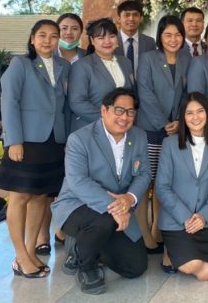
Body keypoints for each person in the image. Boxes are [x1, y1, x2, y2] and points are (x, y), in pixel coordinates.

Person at [0, 19, 70, 279]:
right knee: (20, 197)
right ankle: (20, 256)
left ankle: (30, 250)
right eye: (42, 35)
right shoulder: (20, 64)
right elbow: (9, 102)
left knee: (41, 197)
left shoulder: (64, 66)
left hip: (54, 140)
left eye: (53, 36)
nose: (48, 40)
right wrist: (13, 140)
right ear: (32, 39)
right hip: (26, 140)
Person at [52, 88, 149, 294]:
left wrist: (129, 198)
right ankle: (86, 266)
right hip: (77, 205)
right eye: (119, 110)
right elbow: (77, 181)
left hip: (119, 207)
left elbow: (144, 174)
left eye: (130, 112)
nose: (124, 117)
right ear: (104, 110)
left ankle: (83, 245)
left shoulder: (139, 136)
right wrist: (115, 206)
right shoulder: (79, 139)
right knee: (103, 221)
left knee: (135, 267)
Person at [155, 92, 208, 279]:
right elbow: (162, 187)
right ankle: (168, 254)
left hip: (205, 219)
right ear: (183, 117)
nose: (196, 117)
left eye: (200, 111)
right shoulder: (170, 144)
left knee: (206, 274)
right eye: (189, 113)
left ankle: (180, 252)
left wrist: (204, 215)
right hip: (177, 219)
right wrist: (186, 217)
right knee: (193, 265)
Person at [135, 15, 191, 255]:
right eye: (168, 35)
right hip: (150, 128)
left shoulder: (187, 59)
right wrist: (164, 123)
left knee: (164, 181)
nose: (173, 39)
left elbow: (188, 93)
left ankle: (157, 229)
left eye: (177, 34)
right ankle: (144, 234)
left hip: (176, 130)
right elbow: (145, 93)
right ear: (160, 36)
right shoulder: (148, 58)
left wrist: (179, 121)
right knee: (145, 180)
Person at [69, 18, 135, 131]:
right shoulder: (82, 66)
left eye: (112, 36)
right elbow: (77, 103)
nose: (107, 41)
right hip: (91, 128)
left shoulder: (126, 62)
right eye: (101, 38)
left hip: (122, 127)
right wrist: (109, 120)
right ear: (92, 40)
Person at [113, 0, 157, 76]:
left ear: (141, 18)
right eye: (127, 15)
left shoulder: (150, 42)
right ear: (119, 19)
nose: (131, 19)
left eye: (135, 15)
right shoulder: (111, 41)